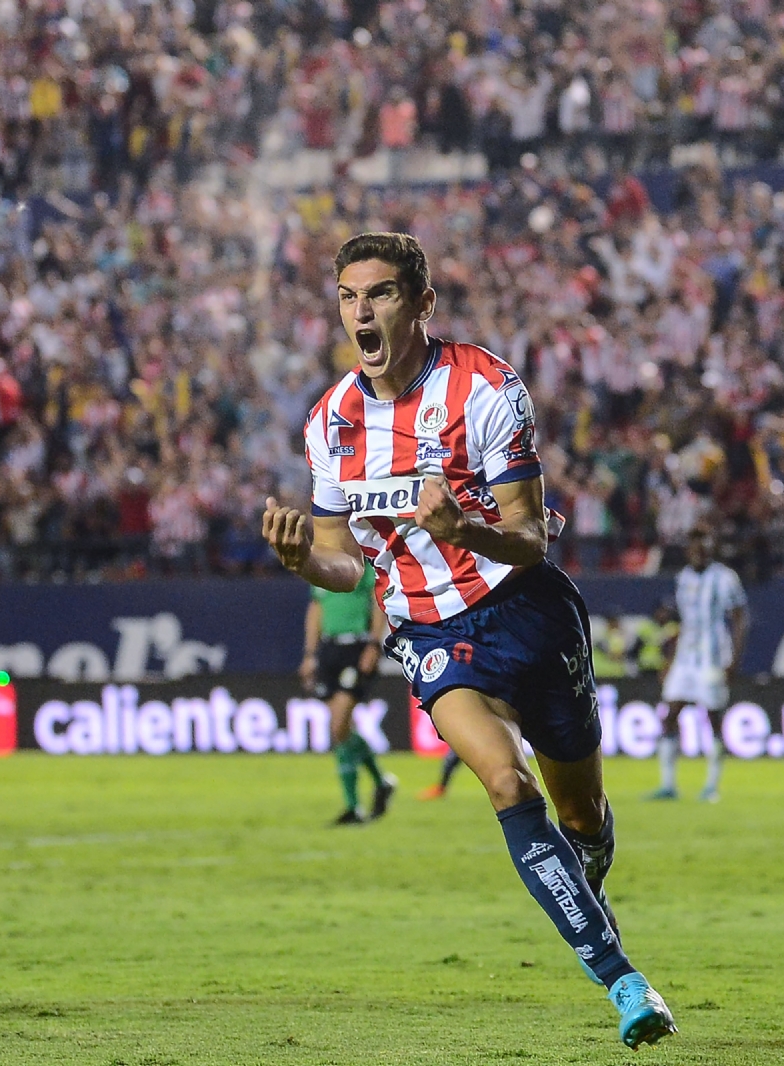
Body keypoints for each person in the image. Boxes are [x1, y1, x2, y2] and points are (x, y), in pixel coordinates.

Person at [261, 233, 675, 1049]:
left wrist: (465, 530)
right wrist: (304, 558)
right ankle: (624, 982)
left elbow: (529, 538)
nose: (361, 312)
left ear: (421, 305)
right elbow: (349, 569)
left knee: (582, 815)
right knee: (503, 783)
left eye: (378, 294)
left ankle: (585, 869)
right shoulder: (331, 423)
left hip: (527, 609)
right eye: (348, 297)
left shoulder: (486, 388)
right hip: (428, 626)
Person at [649, 522, 748, 803]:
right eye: (694, 543)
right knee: (670, 714)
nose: (699, 548)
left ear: (711, 546)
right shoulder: (684, 578)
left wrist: (734, 659)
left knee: (713, 718)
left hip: (713, 656)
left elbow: (740, 618)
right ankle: (668, 785)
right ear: (688, 549)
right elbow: (683, 621)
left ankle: (711, 786)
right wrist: (670, 659)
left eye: (704, 542)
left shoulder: (725, 578)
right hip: (686, 656)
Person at [300, 568, 395, 824]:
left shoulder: (362, 568)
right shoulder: (319, 566)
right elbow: (316, 609)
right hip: (329, 649)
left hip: (357, 646)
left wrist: (374, 644)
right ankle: (380, 783)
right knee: (341, 730)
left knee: (339, 725)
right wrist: (310, 654)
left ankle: (354, 806)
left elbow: (378, 603)